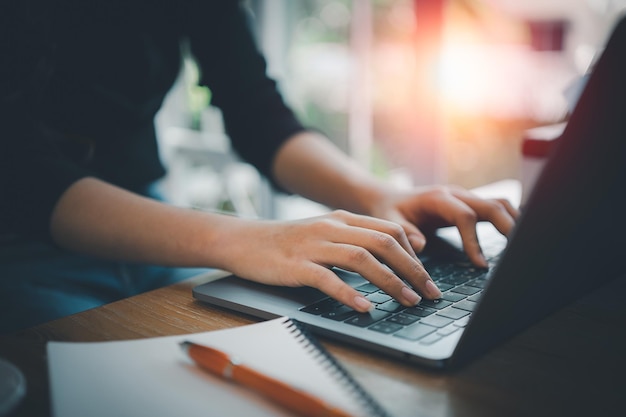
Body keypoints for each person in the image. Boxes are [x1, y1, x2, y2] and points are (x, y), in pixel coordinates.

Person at [0, 0, 518, 334]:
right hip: (20, 243)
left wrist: (374, 194)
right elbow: (28, 179)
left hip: (150, 216)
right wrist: (247, 239)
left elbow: (257, 116)